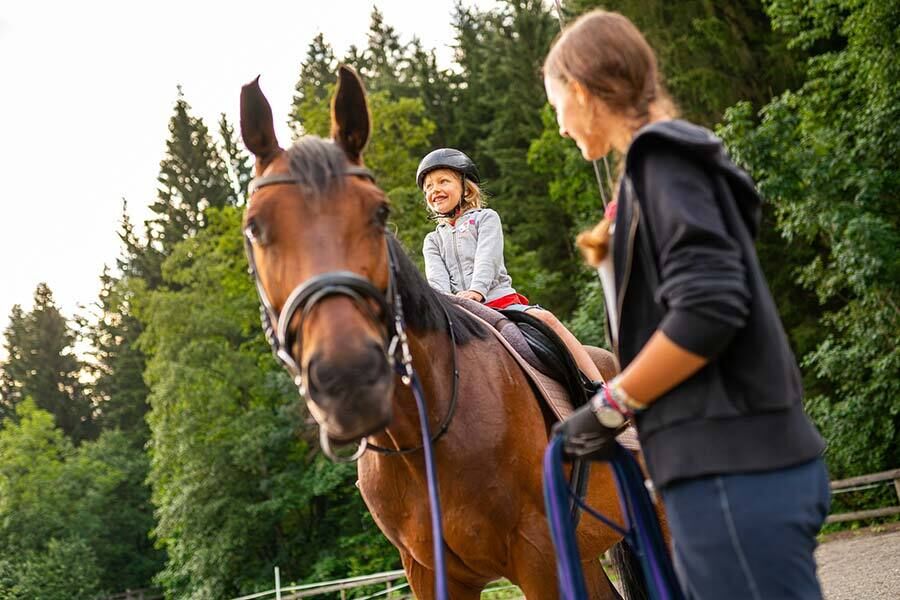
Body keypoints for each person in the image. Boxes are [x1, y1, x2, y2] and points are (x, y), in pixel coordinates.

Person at [544, 10, 830, 600]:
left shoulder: (660, 159)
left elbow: (708, 308)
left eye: (556, 107)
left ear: (579, 90)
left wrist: (607, 409)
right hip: (728, 469)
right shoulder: (657, 170)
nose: (562, 127)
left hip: (733, 471)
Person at [417, 148, 604, 384]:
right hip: (463, 315)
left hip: (500, 303)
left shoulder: (486, 218)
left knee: (546, 319)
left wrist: (477, 291)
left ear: (466, 187)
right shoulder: (432, 240)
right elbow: (436, 281)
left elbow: (488, 257)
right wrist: (447, 307)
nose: (435, 190)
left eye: (443, 181)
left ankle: (597, 385)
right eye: (428, 188)